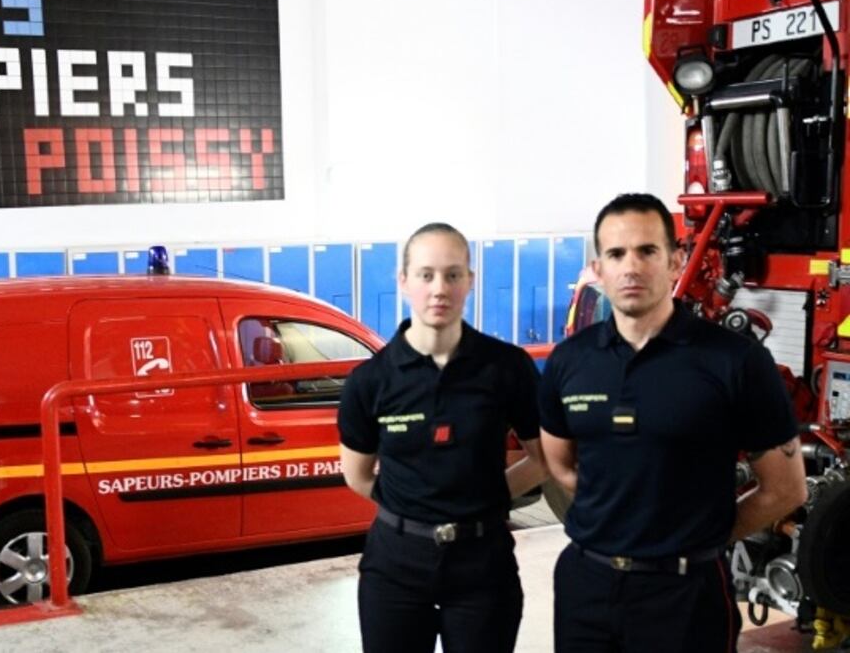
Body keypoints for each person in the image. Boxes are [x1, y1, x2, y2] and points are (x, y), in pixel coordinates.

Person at [538, 193, 809, 652]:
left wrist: (699, 535)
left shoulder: (735, 362)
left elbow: (786, 488)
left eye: (648, 251)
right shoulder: (570, 362)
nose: (632, 267)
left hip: (685, 594)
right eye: (616, 254)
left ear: (675, 260)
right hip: (586, 587)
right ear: (598, 268)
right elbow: (558, 463)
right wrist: (619, 513)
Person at [337, 222, 546, 653]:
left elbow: (543, 458)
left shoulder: (506, 368)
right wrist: (414, 505)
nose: (439, 289)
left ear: (470, 281)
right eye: (426, 274)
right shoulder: (369, 381)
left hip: (483, 563)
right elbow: (357, 475)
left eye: (453, 275)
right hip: (396, 566)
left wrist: (484, 499)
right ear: (403, 282)